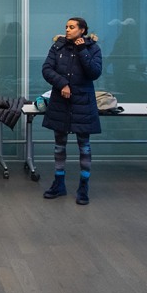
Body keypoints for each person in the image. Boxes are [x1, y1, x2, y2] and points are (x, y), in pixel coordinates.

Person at [40, 17, 102, 205]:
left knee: (84, 146)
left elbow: (94, 72)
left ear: (82, 30)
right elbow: (47, 69)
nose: (67, 30)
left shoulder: (92, 48)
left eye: (72, 27)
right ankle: (59, 183)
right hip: (61, 101)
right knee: (60, 145)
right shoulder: (58, 47)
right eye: (66, 27)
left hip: (83, 102)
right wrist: (63, 84)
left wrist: (82, 50)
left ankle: (84, 187)